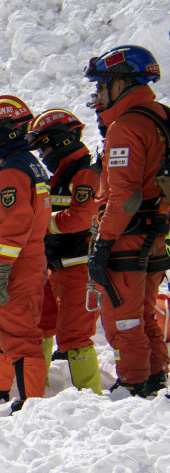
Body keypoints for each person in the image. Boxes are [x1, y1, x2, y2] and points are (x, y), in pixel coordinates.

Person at [85, 45, 170, 397]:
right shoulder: (162, 115)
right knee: (146, 313)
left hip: (127, 236)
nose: (98, 94)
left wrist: (103, 242)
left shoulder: (126, 126)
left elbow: (125, 195)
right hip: (157, 232)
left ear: (120, 84)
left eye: (103, 85)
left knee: (124, 316)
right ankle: (154, 376)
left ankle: (133, 383)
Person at [0, 95, 51, 410]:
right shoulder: (26, 164)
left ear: (5, 132)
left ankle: (31, 402)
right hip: (24, 261)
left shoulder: (12, 171)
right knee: (4, 327)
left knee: (19, 333)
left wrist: (2, 269)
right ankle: (0, 385)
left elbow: (16, 226)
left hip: (16, 264)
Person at [27, 108, 102, 393]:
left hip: (78, 266)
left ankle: (90, 394)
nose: (42, 153)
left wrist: (42, 224)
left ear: (60, 140)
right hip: (51, 263)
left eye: (44, 145)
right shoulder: (59, 174)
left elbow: (81, 218)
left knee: (75, 333)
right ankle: (36, 387)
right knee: (41, 325)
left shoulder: (86, 173)